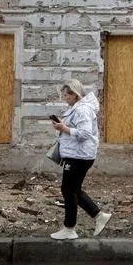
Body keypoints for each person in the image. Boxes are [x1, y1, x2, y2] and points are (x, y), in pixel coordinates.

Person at [49, 78, 111, 240]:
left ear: (75, 95)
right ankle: (98, 216)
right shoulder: (77, 108)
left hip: (78, 156)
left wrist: (64, 128)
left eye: (67, 95)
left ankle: (69, 228)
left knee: (68, 190)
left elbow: (84, 133)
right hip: (78, 154)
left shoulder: (82, 110)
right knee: (74, 190)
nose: (65, 98)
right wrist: (63, 126)